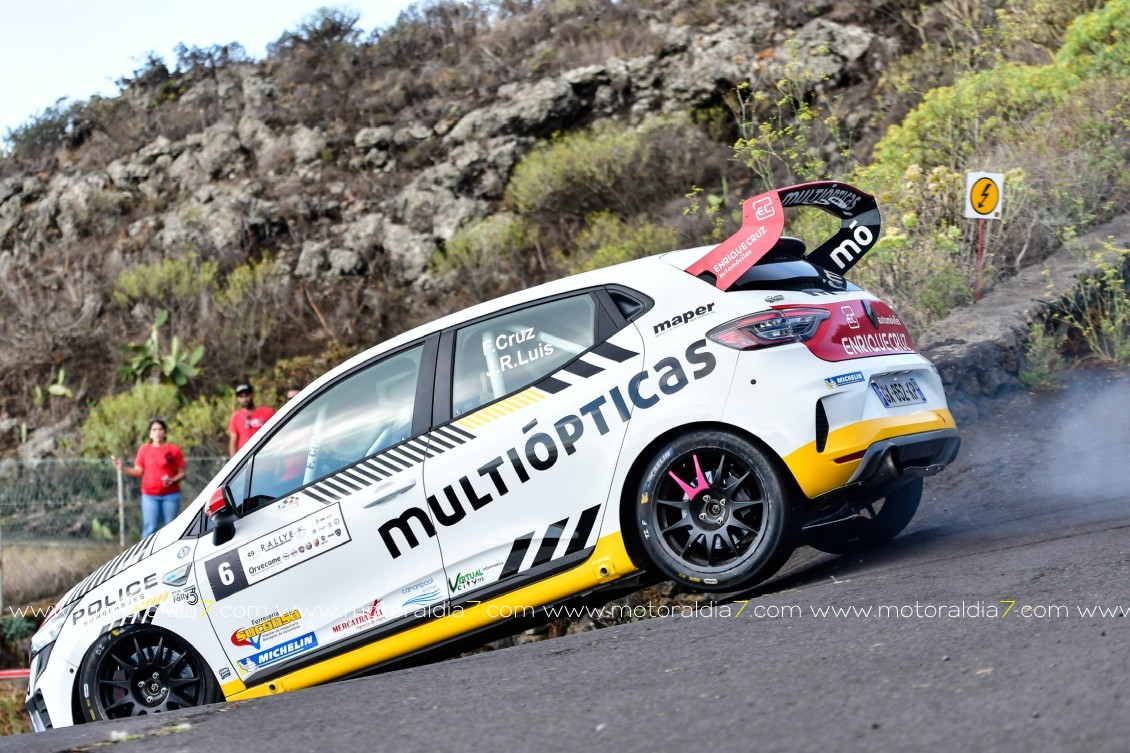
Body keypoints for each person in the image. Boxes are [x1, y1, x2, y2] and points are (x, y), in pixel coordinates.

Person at [112, 418, 186, 539]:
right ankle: (146, 556)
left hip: (171, 495)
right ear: (150, 433)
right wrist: (122, 468)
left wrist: (173, 480)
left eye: (160, 429)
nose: (157, 432)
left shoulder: (174, 450)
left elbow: (182, 473)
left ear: (165, 432)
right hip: (150, 496)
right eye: (154, 429)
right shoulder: (144, 450)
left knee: (171, 528)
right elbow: (138, 471)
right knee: (150, 528)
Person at [228, 383, 275, 457]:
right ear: (238, 399)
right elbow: (233, 442)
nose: (244, 399)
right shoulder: (236, 417)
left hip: (266, 455)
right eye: (241, 397)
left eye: (247, 396)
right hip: (246, 459)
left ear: (252, 395)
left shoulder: (268, 412)